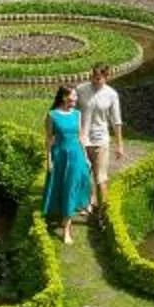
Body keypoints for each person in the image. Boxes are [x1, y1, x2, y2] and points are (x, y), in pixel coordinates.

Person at [41, 86, 93, 244]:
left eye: (76, 98)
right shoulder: (52, 116)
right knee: (61, 187)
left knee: (74, 187)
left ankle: (66, 230)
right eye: (72, 98)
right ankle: (61, 216)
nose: (75, 101)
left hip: (76, 155)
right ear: (63, 97)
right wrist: (48, 160)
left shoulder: (77, 114)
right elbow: (48, 140)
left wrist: (86, 157)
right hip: (60, 156)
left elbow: (80, 137)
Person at [78, 63, 124, 221]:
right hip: (82, 139)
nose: (94, 80)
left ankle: (102, 212)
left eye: (98, 78)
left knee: (100, 177)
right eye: (92, 77)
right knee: (84, 174)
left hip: (101, 140)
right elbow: (72, 110)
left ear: (106, 77)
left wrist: (119, 145)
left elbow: (116, 121)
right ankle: (87, 203)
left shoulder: (112, 94)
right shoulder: (81, 89)